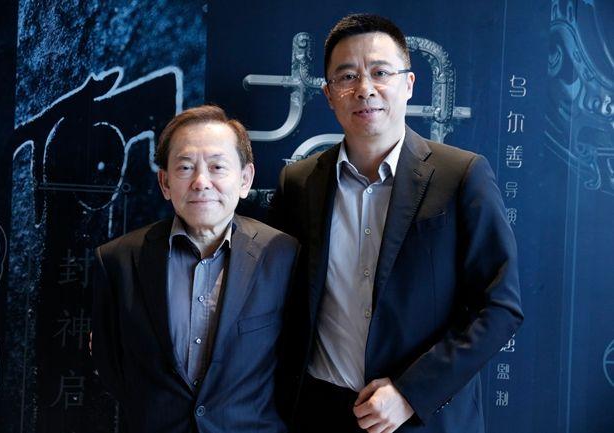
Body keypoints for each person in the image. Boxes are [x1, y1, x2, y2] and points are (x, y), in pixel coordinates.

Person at [269, 13, 523, 433]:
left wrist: (411, 392)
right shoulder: (298, 183)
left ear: (409, 84)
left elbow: (499, 307)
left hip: (424, 417)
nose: (364, 89)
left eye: (380, 72)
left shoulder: (461, 175)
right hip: (320, 414)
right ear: (329, 94)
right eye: (347, 76)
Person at [92, 105, 299, 433]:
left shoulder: (283, 255)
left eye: (217, 167)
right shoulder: (118, 260)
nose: (201, 182)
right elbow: (111, 365)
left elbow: (296, 364)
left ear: (245, 179)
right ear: (165, 182)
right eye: (186, 167)